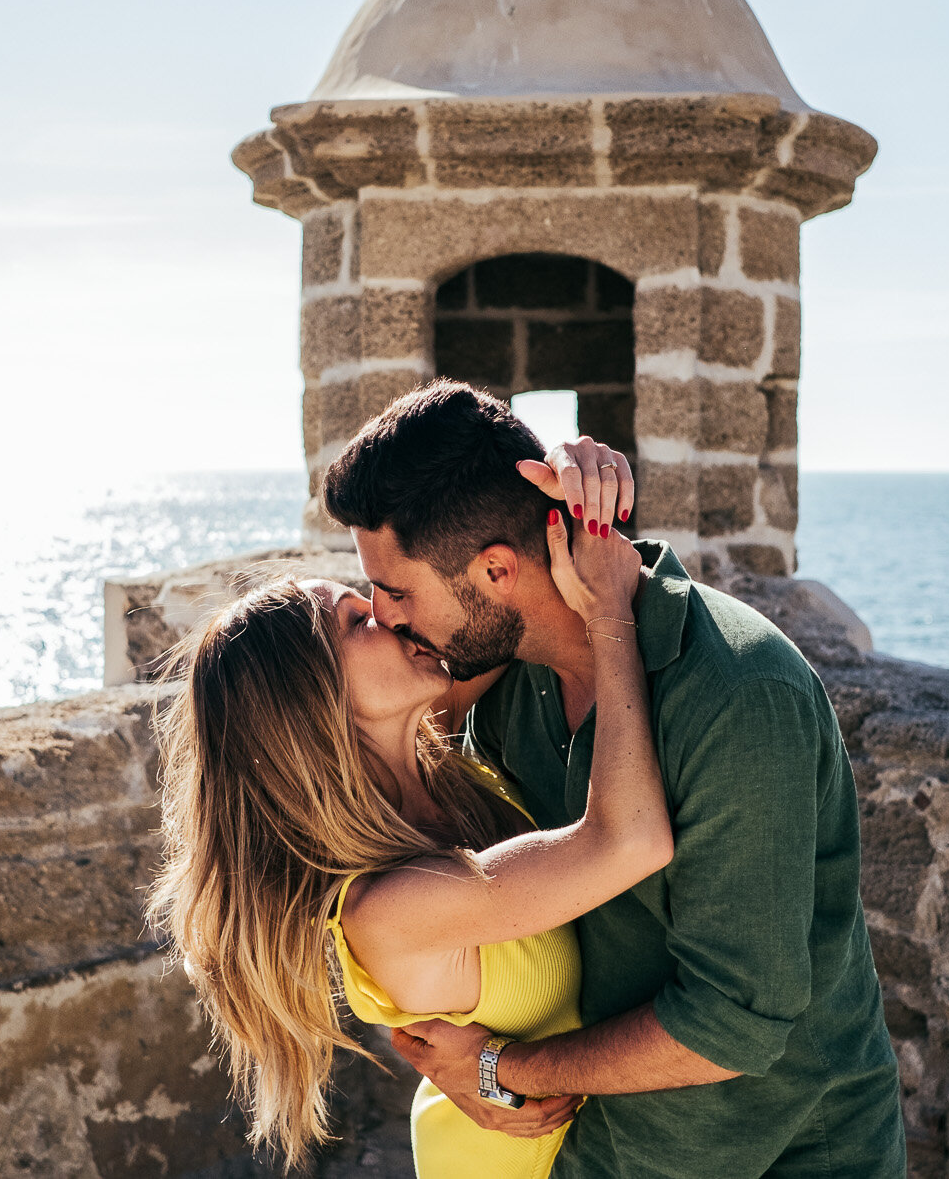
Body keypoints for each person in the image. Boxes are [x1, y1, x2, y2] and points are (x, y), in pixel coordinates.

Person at [323, 380, 907, 1179]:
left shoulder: (738, 693)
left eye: (396, 592)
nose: (387, 617)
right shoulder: (505, 683)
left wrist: (498, 1069)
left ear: (497, 570)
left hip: (786, 1153)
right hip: (607, 1145)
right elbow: (341, 723)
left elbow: (731, 1023)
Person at [147, 477, 664, 1176]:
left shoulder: (429, 750)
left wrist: (575, 477)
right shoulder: (386, 908)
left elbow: (506, 608)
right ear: (317, 711)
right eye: (358, 621)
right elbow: (630, 839)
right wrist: (611, 610)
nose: (391, 615)